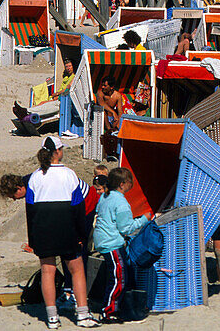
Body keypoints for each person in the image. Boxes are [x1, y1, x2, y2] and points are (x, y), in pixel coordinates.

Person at [25, 137, 97, 329]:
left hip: (43, 228)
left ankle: (52, 318)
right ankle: (82, 315)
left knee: (47, 271)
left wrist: (32, 239)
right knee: (77, 270)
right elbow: (78, 207)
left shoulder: (35, 177)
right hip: (66, 227)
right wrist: (82, 235)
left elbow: (30, 210)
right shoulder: (69, 174)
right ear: (57, 151)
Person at [92, 167, 149, 323]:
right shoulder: (121, 202)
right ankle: (107, 312)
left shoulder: (106, 196)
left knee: (119, 276)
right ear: (123, 184)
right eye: (131, 182)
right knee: (119, 279)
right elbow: (126, 228)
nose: (132, 185)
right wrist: (144, 219)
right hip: (111, 243)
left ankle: (117, 308)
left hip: (104, 240)